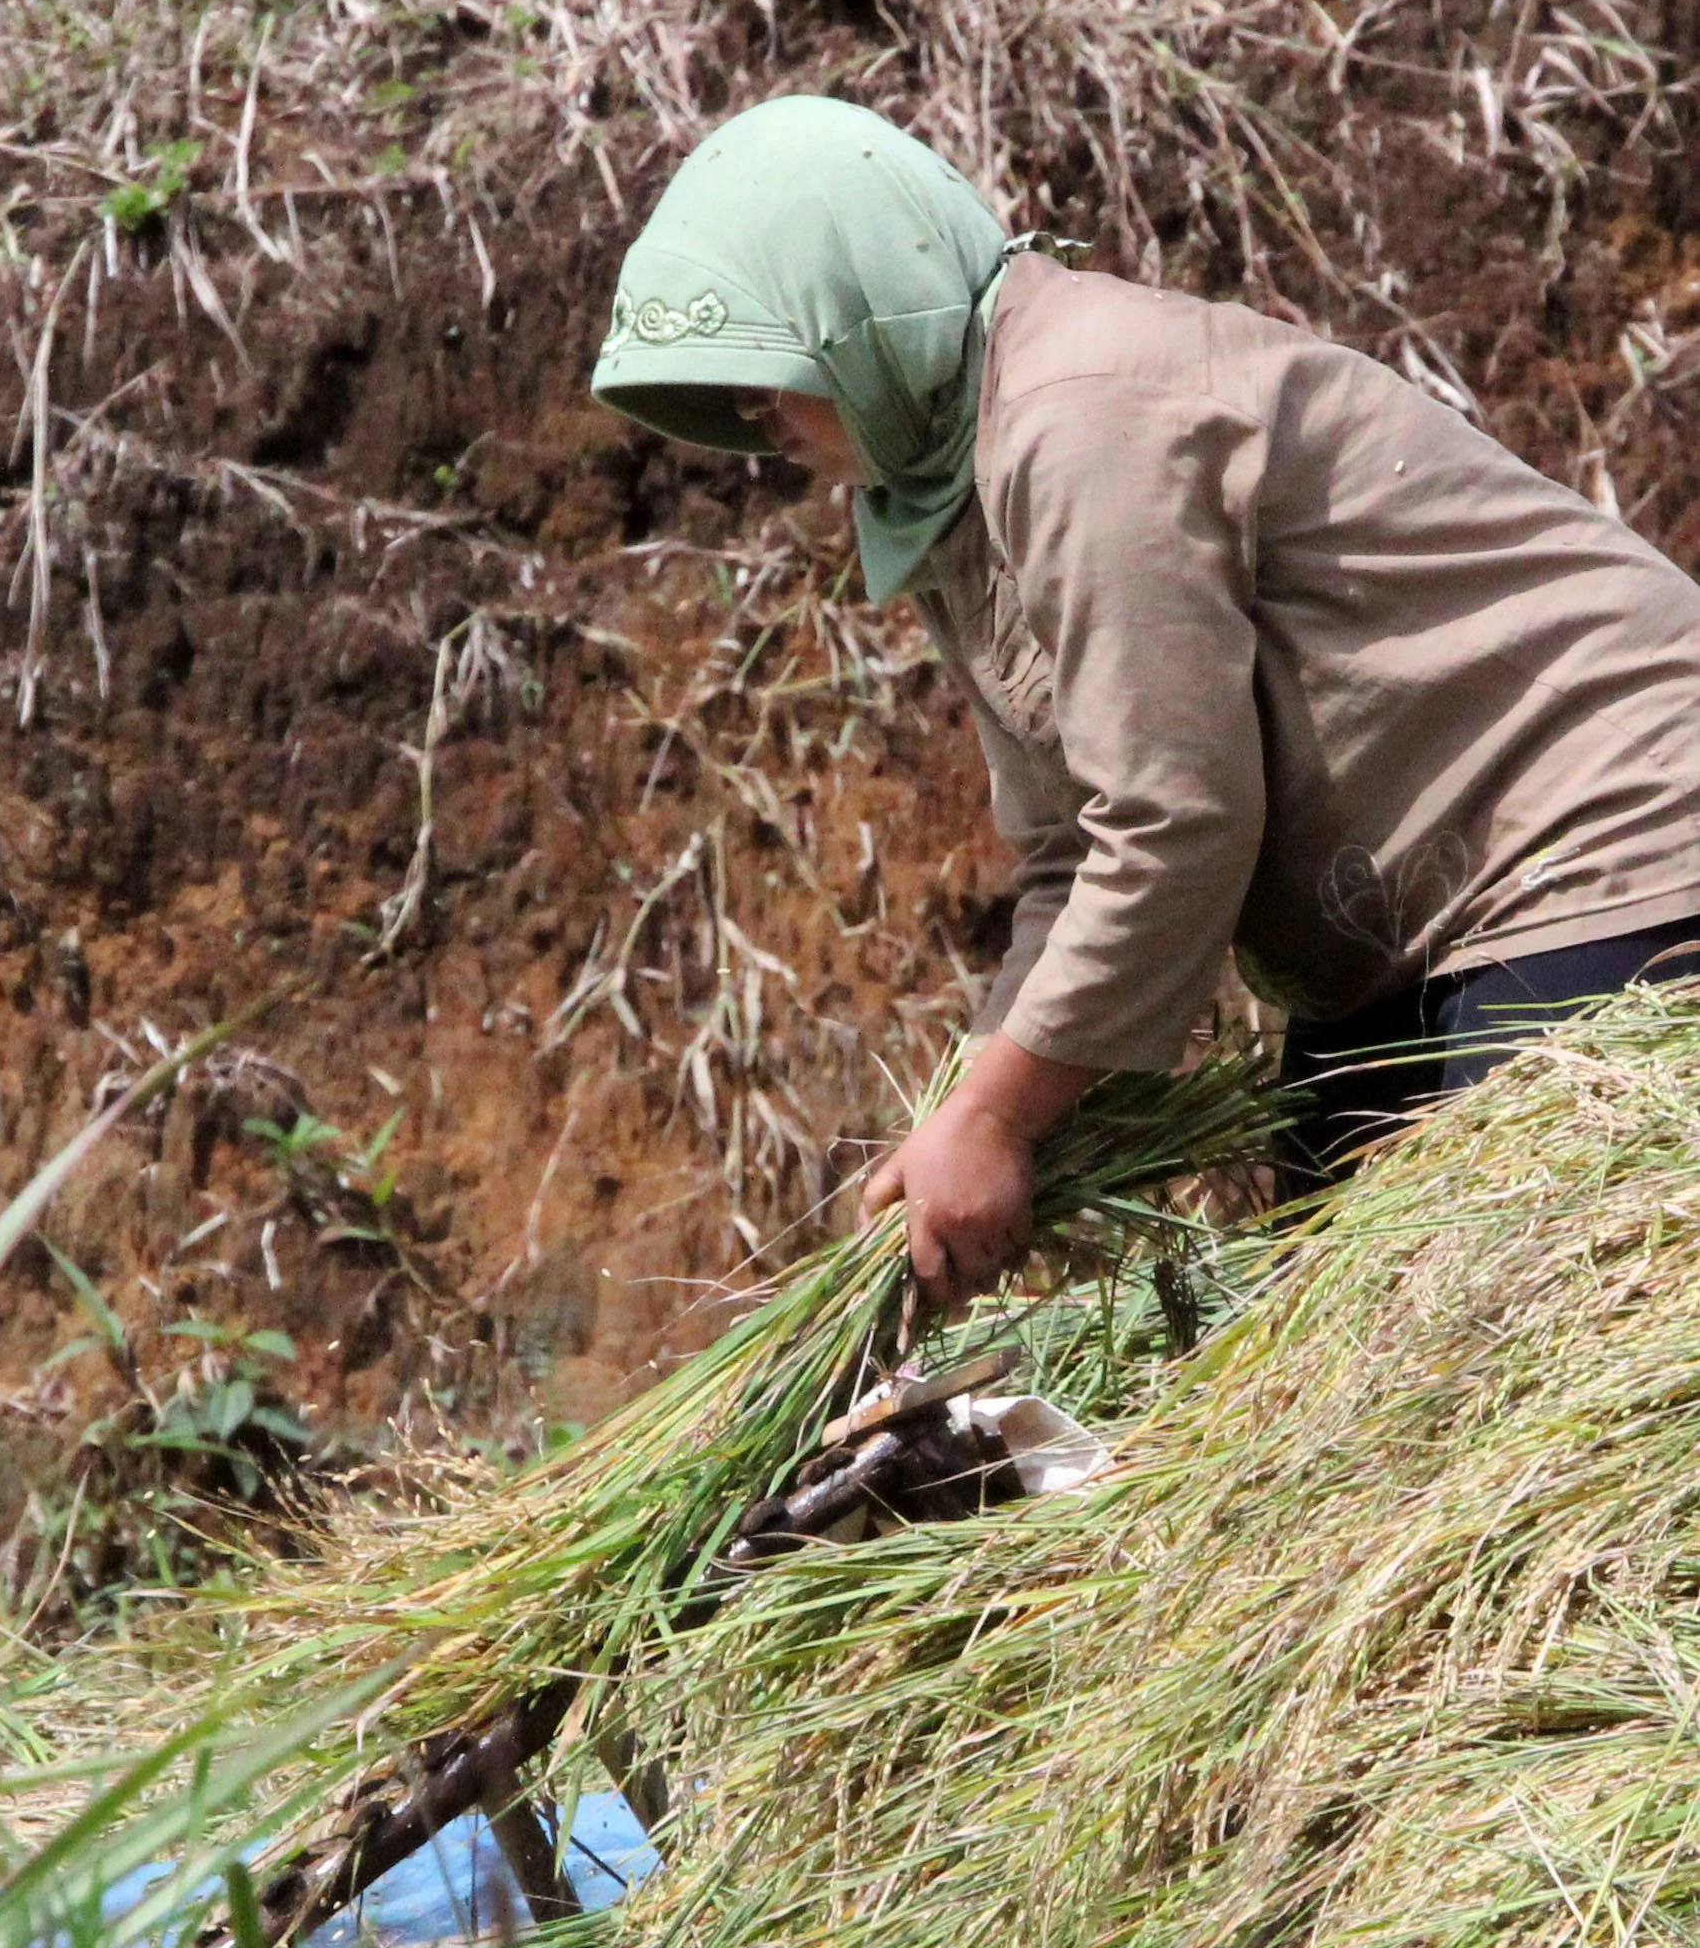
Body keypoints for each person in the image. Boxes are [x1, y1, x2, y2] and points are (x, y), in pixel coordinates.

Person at [590, 96, 1700, 1302]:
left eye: (764, 376)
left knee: (1469, 1328)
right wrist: (977, 1101)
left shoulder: (1077, 418)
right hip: (1415, 944)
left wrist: (1004, 1120)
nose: (758, 422)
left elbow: (1176, 819)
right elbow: (1073, 852)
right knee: (1310, 1358)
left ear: (852, 310)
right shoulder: (949, 474)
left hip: (1603, 847)